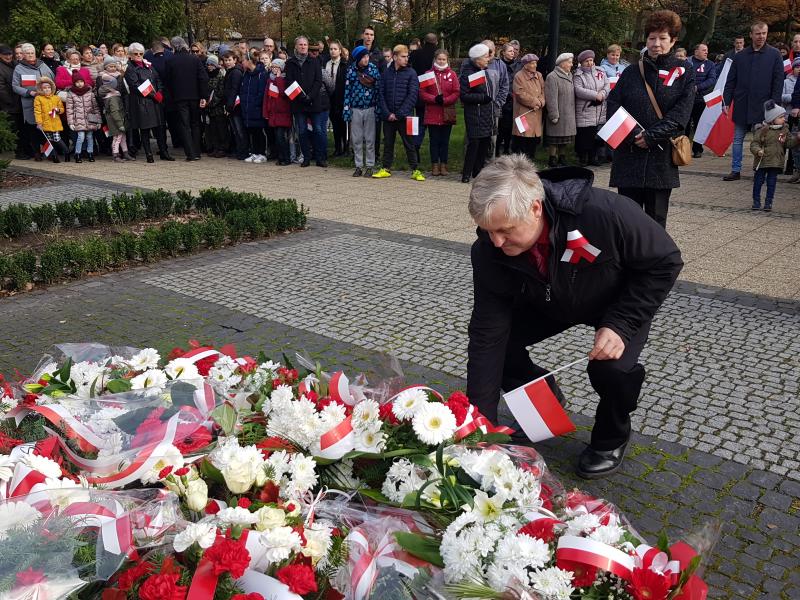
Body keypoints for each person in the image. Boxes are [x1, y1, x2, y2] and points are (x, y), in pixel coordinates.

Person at [466, 154, 683, 478]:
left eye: (505, 230)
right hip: (549, 300)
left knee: (611, 370)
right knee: (502, 346)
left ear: (535, 208)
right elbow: (487, 333)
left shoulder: (603, 213)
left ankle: (610, 438)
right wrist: (478, 428)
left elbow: (665, 261)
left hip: (616, 302)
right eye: (487, 231)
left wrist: (620, 325)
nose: (496, 241)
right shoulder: (489, 249)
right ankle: (544, 399)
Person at [607, 10, 695, 228]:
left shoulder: (684, 71)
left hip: (661, 158)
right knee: (627, 222)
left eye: (663, 38)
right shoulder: (631, 72)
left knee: (655, 222)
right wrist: (633, 135)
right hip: (629, 156)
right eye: (652, 38)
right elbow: (613, 104)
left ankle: (655, 262)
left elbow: (680, 115)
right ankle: (629, 261)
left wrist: (651, 136)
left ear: (673, 40)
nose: (656, 43)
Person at [721, 22, 784, 181]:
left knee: (762, 141)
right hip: (742, 104)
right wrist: (726, 101)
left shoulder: (775, 54)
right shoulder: (740, 56)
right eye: (758, 33)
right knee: (737, 140)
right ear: (751, 35)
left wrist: (774, 107)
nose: (761, 36)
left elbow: (778, 82)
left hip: (764, 106)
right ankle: (735, 170)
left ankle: (759, 170)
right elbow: (731, 81)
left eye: (764, 33)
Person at [373, 44, 423, 181]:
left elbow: (412, 95)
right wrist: (387, 113)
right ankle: (386, 168)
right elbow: (381, 94)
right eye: (403, 56)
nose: (406, 59)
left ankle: (415, 169)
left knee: (409, 143)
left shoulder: (411, 73)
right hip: (388, 116)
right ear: (395, 57)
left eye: (407, 56)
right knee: (388, 142)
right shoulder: (385, 73)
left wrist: (400, 113)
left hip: (405, 116)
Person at [286, 35, 329, 168]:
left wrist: (310, 96)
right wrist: (300, 96)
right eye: (301, 45)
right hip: (299, 103)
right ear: (296, 47)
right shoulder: (290, 63)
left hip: (314, 101)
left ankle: (320, 157)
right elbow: (289, 82)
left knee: (318, 129)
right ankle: (306, 157)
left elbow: (318, 81)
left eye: (305, 44)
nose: (303, 47)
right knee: (302, 131)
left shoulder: (315, 61)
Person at [165, 36, 209, 161]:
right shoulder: (194, 60)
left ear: (173, 47)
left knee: (184, 125)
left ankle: (190, 153)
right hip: (195, 96)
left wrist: (172, 95)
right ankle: (197, 152)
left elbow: (168, 81)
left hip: (179, 98)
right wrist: (203, 96)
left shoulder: (170, 61)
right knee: (195, 123)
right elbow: (203, 78)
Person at [124, 46, 171, 163]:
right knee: (145, 129)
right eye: (136, 54)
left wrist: (159, 91)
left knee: (160, 128)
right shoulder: (130, 68)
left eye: (141, 53)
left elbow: (158, 79)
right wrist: (152, 95)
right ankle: (148, 153)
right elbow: (135, 86)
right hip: (142, 102)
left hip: (155, 102)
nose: (139, 56)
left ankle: (164, 152)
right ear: (130, 55)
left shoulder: (148, 65)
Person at [750, 101, 799, 210]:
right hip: (762, 162)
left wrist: (797, 139)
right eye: (781, 117)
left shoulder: (784, 130)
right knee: (758, 182)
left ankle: (768, 202)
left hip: (776, 162)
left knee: (771, 183)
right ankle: (756, 201)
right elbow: (754, 144)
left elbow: (788, 144)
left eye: (784, 116)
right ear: (772, 119)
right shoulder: (762, 130)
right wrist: (758, 151)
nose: (784, 119)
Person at [418, 49, 459, 176]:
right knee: (434, 141)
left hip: (447, 113)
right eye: (439, 59)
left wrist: (445, 100)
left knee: (444, 141)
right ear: (435, 60)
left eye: (444, 59)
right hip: (432, 113)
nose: (441, 61)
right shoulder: (428, 74)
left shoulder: (452, 74)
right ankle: (434, 164)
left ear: (447, 60)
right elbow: (422, 93)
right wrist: (434, 99)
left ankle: (444, 165)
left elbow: (456, 92)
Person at [12, 43, 54, 160]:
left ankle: (49, 152)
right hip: (29, 104)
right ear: (23, 55)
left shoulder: (43, 65)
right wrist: (29, 92)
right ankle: (36, 152)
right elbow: (15, 86)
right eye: (28, 53)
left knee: (47, 128)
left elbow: (52, 80)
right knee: (33, 129)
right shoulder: (19, 68)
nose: (30, 55)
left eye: (32, 53)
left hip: (46, 103)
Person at [343, 44, 380, 177]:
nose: (366, 59)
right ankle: (358, 165)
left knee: (370, 139)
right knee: (357, 139)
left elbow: (378, 89)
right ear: (358, 58)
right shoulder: (351, 71)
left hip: (370, 108)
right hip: (355, 108)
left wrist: (378, 108)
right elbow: (347, 91)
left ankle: (370, 165)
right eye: (363, 57)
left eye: (367, 56)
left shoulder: (373, 69)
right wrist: (346, 109)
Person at [460, 43, 495, 183]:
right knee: (474, 144)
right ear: (478, 59)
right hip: (475, 114)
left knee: (484, 143)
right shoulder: (469, 73)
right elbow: (464, 95)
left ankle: (478, 172)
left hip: (485, 113)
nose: (488, 59)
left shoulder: (483, 71)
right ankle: (466, 173)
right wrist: (482, 98)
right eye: (486, 57)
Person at [573, 50, 609, 167]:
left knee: (595, 135)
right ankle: (583, 157)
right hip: (585, 110)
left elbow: (606, 85)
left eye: (591, 60)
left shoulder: (600, 71)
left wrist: (603, 94)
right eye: (586, 61)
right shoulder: (578, 75)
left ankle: (593, 157)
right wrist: (595, 95)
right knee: (584, 135)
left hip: (599, 110)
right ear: (581, 63)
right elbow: (578, 90)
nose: (589, 63)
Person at [510, 53, 545, 161]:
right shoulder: (519, 76)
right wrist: (534, 102)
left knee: (533, 139)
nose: (535, 65)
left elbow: (543, 90)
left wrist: (541, 101)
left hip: (536, 112)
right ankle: (520, 162)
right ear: (525, 65)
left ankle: (531, 160)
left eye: (535, 63)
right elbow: (519, 93)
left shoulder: (539, 75)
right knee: (522, 137)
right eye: (532, 63)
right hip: (524, 113)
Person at [544, 52, 576, 167]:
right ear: (562, 63)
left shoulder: (570, 76)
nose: (571, 64)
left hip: (568, 113)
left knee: (564, 139)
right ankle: (552, 157)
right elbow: (551, 97)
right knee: (555, 139)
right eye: (569, 62)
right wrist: (553, 114)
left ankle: (562, 157)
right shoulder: (552, 77)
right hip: (559, 113)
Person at [409, 33, 438, 157]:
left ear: (423, 42)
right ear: (436, 42)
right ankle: (418, 144)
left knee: (414, 119)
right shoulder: (437, 54)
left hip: (414, 90)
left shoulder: (416, 53)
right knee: (425, 121)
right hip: (430, 91)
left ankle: (413, 144)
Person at [686, 43, 717, 158]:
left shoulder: (710, 64)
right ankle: (683, 148)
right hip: (686, 99)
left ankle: (697, 149)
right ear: (696, 51)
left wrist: (698, 88)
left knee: (699, 124)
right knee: (685, 125)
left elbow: (712, 79)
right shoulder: (687, 62)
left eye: (707, 50)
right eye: (703, 50)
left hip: (700, 99)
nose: (706, 52)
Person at [0, 44, 30, 159]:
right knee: (15, 129)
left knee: (22, 128)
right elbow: (1, 89)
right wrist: (10, 101)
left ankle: (25, 150)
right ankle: (19, 152)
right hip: (9, 105)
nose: (8, 56)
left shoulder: (15, 64)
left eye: (9, 54)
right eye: (5, 54)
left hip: (20, 102)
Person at [482, 40, 510, 158]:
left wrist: (498, 102)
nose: (488, 53)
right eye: (485, 51)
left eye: (490, 51)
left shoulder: (500, 65)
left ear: (494, 50)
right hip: (477, 107)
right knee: (474, 139)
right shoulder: (474, 63)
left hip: (494, 107)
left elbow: (505, 86)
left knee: (492, 138)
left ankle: (490, 163)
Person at [239, 51, 268, 163]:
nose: (242, 63)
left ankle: (262, 153)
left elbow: (261, 93)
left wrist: (255, 105)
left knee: (258, 131)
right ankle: (255, 152)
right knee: (251, 131)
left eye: (243, 61)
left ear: (249, 61)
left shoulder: (261, 74)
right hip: (247, 107)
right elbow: (243, 90)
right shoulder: (246, 74)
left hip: (256, 108)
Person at [66, 71, 100, 162]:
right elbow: (69, 110)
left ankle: (90, 153)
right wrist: (71, 122)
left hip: (90, 120)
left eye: (81, 81)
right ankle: (78, 154)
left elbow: (95, 108)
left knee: (89, 137)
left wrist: (98, 120)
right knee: (80, 137)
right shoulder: (71, 94)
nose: (79, 84)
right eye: (77, 82)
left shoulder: (90, 93)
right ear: (74, 83)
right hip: (78, 120)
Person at [263, 58, 292, 165]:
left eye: (277, 67)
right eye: (273, 67)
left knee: (281, 137)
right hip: (273, 113)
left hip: (283, 113)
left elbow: (283, 93)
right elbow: (266, 97)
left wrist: (279, 79)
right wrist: (266, 112)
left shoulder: (284, 79)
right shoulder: (269, 80)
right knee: (276, 137)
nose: (274, 69)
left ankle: (286, 158)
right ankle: (280, 158)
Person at [33, 77, 69, 162]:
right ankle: (54, 156)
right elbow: (37, 111)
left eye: (48, 87)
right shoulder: (38, 98)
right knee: (49, 141)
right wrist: (39, 122)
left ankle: (66, 152)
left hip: (55, 122)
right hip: (45, 123)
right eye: (44, 88)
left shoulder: (56, 98)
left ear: (52, 88)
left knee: (57, 139)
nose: (47, 89)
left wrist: (58, 110)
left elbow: (62, 109)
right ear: (41, 89)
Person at [323, 40, 348, 156]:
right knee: (335, 124)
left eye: (335, 49)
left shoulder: (344, 64)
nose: (333, 51)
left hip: (341, 97)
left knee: (343, 124)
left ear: (339, 51)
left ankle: (346, 147)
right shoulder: (326, 64)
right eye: (331, 49)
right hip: (329, 98)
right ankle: (337, 148)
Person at [496, 43, 520, 156]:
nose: (513, 53)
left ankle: (507, 148)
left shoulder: (518, 65)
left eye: (514, 51)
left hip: (513, 100)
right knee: (500, 126)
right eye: (510, 51)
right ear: (504, 52)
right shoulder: (498, 64)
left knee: (510, 126)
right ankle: (497, 149)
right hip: (502, 99)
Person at [204, 54, 228, 158]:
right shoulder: (205, 75)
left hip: (218, 108)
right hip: (209, 108)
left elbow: (220, 92)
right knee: (212, 129)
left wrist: (212, 102)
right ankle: (215, 147)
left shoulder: (220, 76)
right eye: (208, 64)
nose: (209, 66)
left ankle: (222, 148)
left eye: (211, 64)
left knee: (221, 129)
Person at [784, 58, 800, 183]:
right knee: (795, 142)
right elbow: (797, 93)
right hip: (795, 116)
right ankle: (797, 169)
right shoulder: (788, 81)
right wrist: (796, 106)